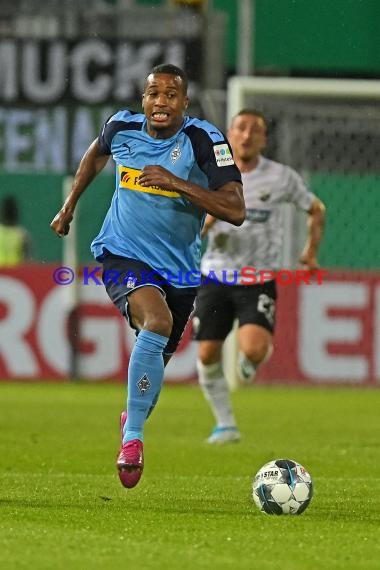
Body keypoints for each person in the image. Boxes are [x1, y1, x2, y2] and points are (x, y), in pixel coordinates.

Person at [50, 64, 245, 488]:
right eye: (154, 94)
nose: (161, 102)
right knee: (156, 322)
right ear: (143, 100)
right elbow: (96, 154)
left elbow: (235, 209)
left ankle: (132, 418)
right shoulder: (121, 126)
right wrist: (70, 206)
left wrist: (178, 183)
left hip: (180, 270)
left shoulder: (203, 139)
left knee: (152, 370)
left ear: (185, 103)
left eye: (171, 95)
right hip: (122, 253)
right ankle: (133, 440)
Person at [193, 109, 326, 444]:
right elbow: (190, 222)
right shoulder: (209, 173)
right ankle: (225, 425)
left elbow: (316, 209)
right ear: (229, 133)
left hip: (258, 277)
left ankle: (252, 361)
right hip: (215, 275)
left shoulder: (281, 177)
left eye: (255, 130)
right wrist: (203, 225)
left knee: (252, 349)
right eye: (241, 128)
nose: (247, 135)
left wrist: (310, 251)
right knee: (207, 353)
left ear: (264, 139)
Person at [0, 195, 33, 266]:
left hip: (11, 273)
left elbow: (28, 259)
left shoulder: (22, 235)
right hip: (16, 273)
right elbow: (28, 260)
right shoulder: (22, 234)